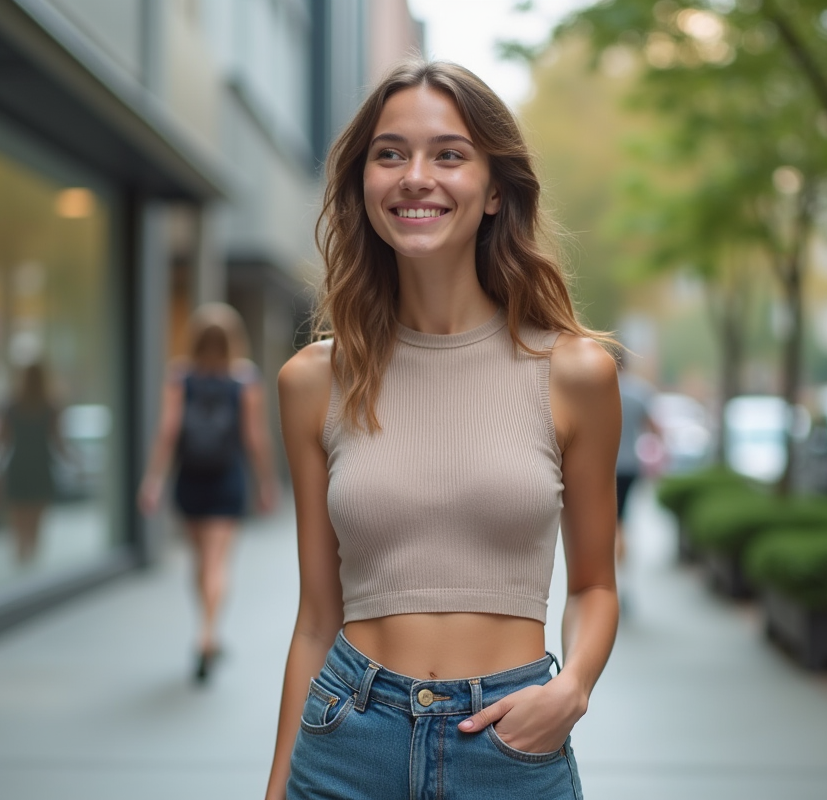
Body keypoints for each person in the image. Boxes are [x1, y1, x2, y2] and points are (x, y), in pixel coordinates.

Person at [265, 61, 621, 800]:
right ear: (363, 185)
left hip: (511, 744)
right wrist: (276, 789)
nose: (414, 176)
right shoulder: (311, 382)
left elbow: (593, 584)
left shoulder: (576, 373)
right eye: (390, 154)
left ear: (495, 190)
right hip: (346, 742)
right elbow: (316, 618)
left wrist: (574, 687)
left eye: (448, 154)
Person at [138, 303, 278, 684]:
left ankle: (206, 630)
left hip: (190, 479)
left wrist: (153, 481)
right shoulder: (245, 379)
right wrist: (267, 482)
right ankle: (208, 635)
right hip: (227, 479)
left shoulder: (180, 377)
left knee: (200, 563)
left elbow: (168, 432)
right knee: (219, 563)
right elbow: (255, 438)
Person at [0, 361, 69, 564]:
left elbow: (1, 444)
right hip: (39, 469)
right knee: (34, 525)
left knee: (19, 525)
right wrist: (74, 462)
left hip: (20, 468)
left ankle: (22, 564)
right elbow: (59, 443)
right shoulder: (49, 407)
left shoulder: (12, 406)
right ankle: (29, 566)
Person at [613, 353, 658, 608]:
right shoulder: (639, 392)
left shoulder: (597, 387)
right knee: (622, 523)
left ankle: (606, 581)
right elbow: (654, 429)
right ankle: (620, 582)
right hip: (630, 466)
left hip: (603, 467)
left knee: (607, 524)